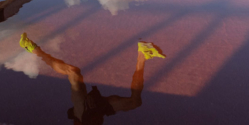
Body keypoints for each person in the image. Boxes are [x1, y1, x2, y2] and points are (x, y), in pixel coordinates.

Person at [20, 33, 164, 124]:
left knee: (73, 72)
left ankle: (35, 50)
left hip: (84, 113)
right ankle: (142, 55)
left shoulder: (81, 116)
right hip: (97, 112)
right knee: (134, 102)